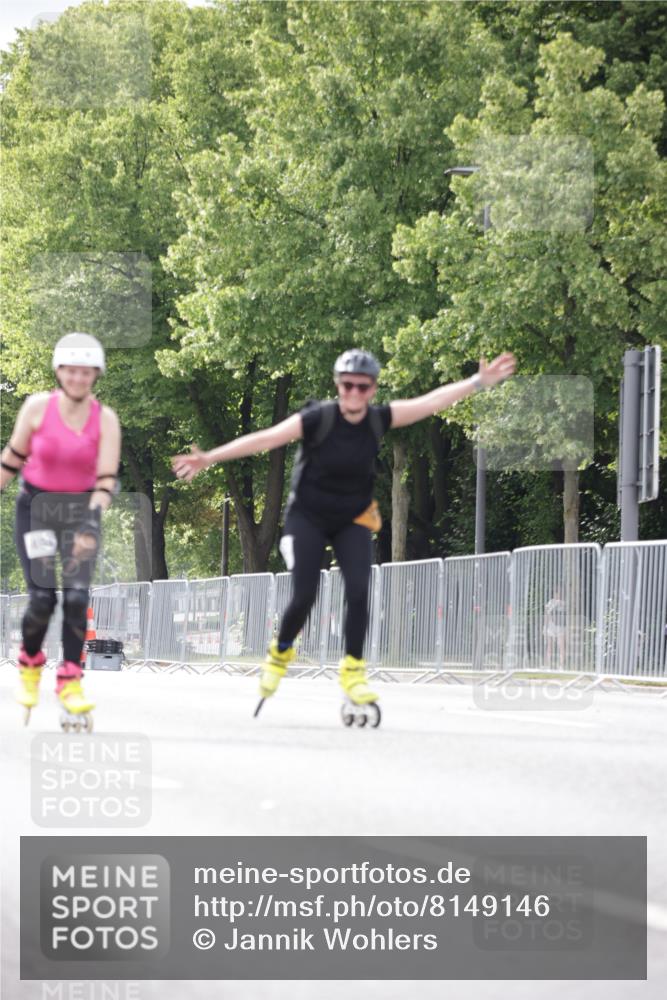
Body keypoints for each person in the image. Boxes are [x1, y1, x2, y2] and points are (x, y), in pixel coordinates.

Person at [172, 349, 516, 713]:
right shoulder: (317, 418)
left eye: (361, 386)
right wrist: (209, 457)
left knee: (359, 589)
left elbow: (430, 402)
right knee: (305, 592)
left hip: (353, 518)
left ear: (372, 389)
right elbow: (266, 439)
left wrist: (478, 382)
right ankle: (280, 653)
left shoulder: (377, 420)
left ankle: (353, 670)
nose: (353, 392)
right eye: (347, 385)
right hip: (307, 517)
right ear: (338, 386)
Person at [0, 333, 121, 722]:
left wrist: (90, 519)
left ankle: (70, 679)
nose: (78, 378)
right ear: (59, 371)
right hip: (35, 511)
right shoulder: (36, 408)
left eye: (86, 372)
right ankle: (31, 663)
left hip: (80, 515)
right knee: (42, 598)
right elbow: (11, 460)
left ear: (95, 375)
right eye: (71, 370)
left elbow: (106, 481)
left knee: (75, 596)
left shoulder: (105, 420)